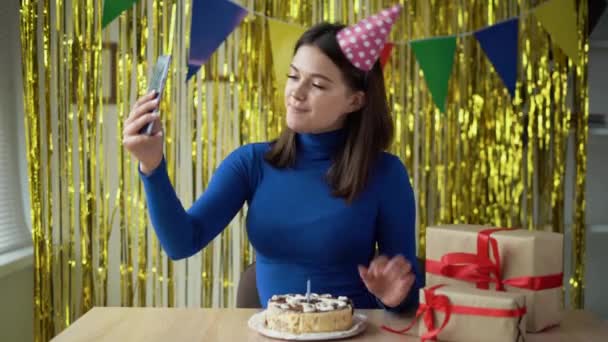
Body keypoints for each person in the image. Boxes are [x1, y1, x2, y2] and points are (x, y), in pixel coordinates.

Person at [122, 4, 422, 312]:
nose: (296, 92)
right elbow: (181, 243)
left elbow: (408, 298)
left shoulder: (386, 174)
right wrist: (152, 165)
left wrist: (393, 297)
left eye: (317, 84)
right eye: (294, 76)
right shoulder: (250, 163)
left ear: (355, 100)